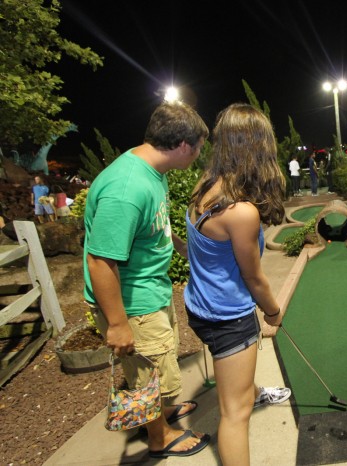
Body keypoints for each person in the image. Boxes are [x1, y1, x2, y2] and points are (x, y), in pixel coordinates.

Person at [83, 102, 211, 459]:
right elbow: (100, 261)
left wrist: (186, 248)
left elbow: (151, 231)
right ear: (183, 144)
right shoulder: (126, 189)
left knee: (160, 364)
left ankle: (163, 413)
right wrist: (119, 323)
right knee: (148, 376)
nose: (199, 154)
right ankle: (160, 436)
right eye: (199, 146)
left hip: (149, 290)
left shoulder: (152, 173)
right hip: (132, 303)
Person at [184, 103, 291, 466]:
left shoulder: (206, 185)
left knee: (240, 387)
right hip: (227, 319)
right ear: (259, 147)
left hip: (199, 306)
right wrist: (274, 312)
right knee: (234, 414)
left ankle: (253, 390)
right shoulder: (242, 212)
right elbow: (254, 277)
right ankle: (247, 396)